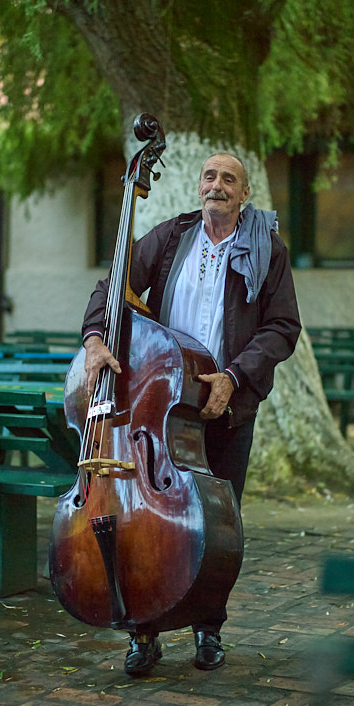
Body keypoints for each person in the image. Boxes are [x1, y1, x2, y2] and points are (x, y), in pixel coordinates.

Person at [81, 152, 301, 676]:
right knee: (144, 520)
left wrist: (236, 376)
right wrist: (94, 338)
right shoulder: (170, 237)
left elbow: (282, 327)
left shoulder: (267, 249)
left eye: (229, 179)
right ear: (198, 186)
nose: (217, 185)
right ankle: (142, 632)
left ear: (244, 193)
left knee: (216, 529)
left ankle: (208, 629)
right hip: (158, 405)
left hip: (224, 404)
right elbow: (113, 287)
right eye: (210, 176)